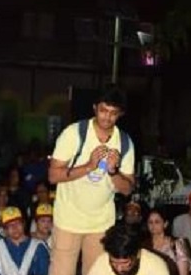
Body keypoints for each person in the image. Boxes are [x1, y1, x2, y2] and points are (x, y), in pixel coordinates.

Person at [48, 84, 135, 275]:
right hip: (68, 221)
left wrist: (113, 172)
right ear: (95, 107)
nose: (107, 116)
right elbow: (53, 176)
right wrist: (89, 166)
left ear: (120, 114)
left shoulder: (125, 142)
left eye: (113, 113)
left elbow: (128, 189)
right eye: (103, 110)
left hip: (101, 224)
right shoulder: (74, 133)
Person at [0, 206, 50, 275]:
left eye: (17, 223)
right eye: (10, 225)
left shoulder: (38, 247)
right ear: (5, 230)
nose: (14, 227)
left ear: (23, 224)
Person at [87, 223, 169, 275]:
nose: (119, 268)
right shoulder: (102, 262)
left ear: (137, 255)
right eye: (113, 262)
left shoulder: (156, 267)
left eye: (125, 263)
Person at [143, 207, 191, 275]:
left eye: (157, 222)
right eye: (150, 222)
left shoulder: (176, 245)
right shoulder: (144, 246)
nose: (153, 225)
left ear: (165, 224)